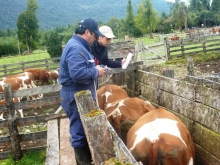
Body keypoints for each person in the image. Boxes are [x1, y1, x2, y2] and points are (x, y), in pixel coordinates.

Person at [58, 18, 106, 165]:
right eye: (95, 35)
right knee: (79, 133)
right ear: (87, 32)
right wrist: (95, 72)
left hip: (79, 97)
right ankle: (84, 162)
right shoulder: (76, 48)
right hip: (75, 98)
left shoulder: (78, 45)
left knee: (82, 131)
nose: (96, 38)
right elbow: (77, 74)